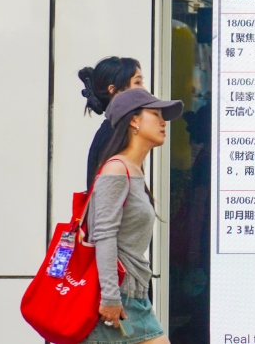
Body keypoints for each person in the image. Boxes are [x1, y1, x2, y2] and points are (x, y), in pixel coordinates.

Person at [82, 87, 183, 344]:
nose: (163, 122)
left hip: (133, 296)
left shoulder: (133, 171)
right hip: (118, 298)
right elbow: (104, 235)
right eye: (155, 114)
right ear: (134, 121)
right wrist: (110, 298)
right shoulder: (116, 170)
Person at [78, 57, 144, 189]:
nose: (144, 90)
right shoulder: (114, 135)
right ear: (114, 90)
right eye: (138, 82)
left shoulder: (113, 130)